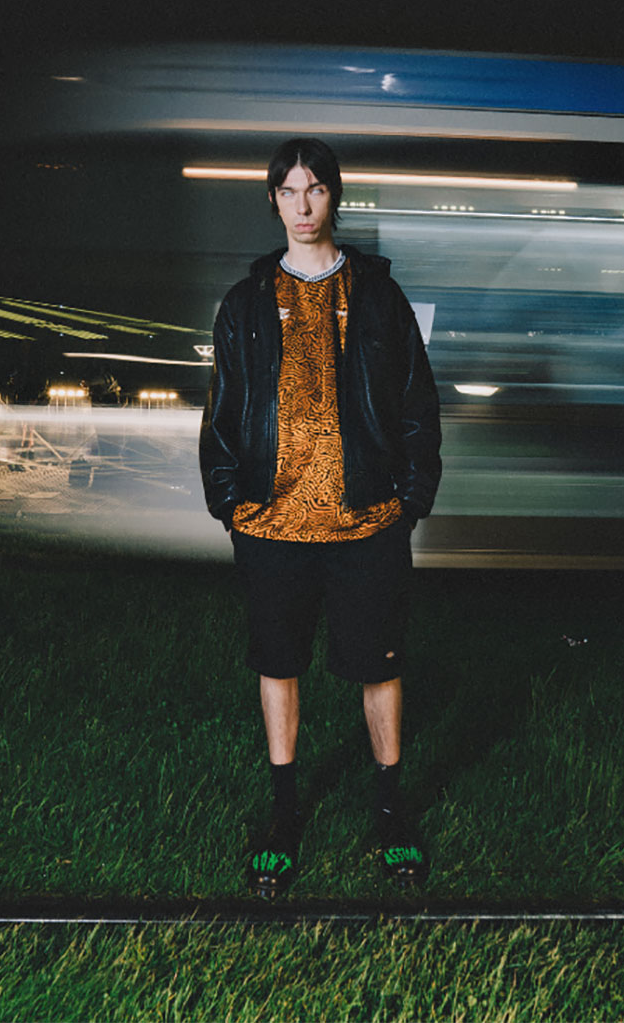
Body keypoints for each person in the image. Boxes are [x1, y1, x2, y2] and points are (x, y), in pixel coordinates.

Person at [200, 138, 441, 897]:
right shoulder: (244, 303)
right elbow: (222, 409)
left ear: (335, 196)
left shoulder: (378, 296)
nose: (302, 206)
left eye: (315, 190)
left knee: (379, 666)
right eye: (288, 191)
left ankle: (390, 812)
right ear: (273, 200)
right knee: (279, 664)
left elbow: (417, 402)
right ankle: (284, 814)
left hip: (366, 521)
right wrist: (229, 500)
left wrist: (409, 501)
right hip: (270, 524)